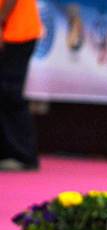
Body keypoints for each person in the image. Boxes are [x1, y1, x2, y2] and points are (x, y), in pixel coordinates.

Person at [0, 0, 43, 171]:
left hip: (16, 32)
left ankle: (23, 155)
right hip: (10, 31)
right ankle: (7, 152)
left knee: (10, 93)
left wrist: (1, 22)